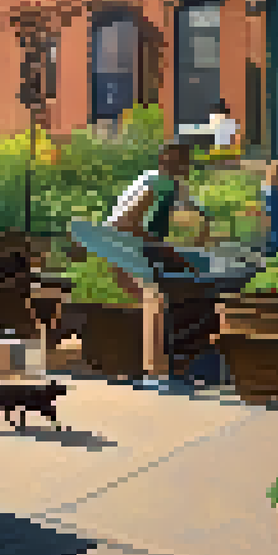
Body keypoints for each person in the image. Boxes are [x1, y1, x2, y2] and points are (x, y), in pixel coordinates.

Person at [69, 141, 218, 387]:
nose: (184, 167)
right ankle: (157, 372)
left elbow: (193, 213)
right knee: (156, 303)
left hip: (125, 247)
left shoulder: (162, 181)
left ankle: (155, 370)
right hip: (127, 246)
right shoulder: (160, 184)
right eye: (179, 162)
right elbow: (127, 223)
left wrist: (199, 228)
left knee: (154, 303)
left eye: (183, 162)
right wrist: (170, 252)